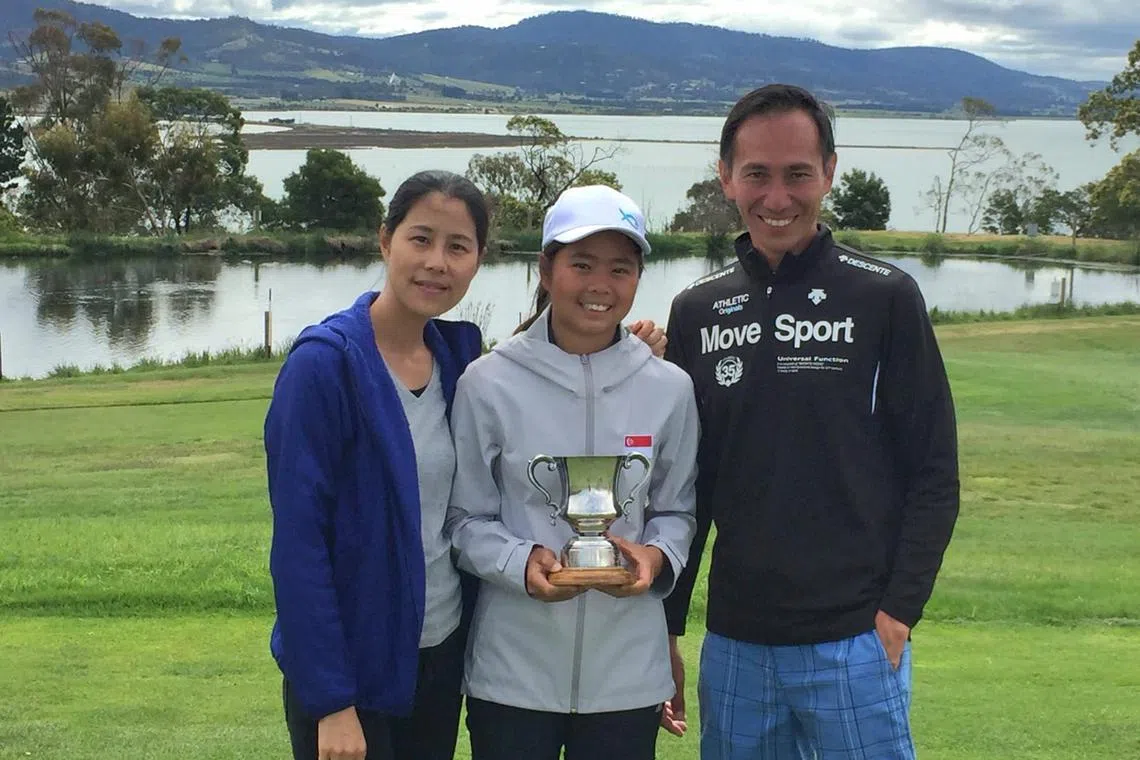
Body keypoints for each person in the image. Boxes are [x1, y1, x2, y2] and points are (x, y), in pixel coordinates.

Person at [265, 170, 668, 760]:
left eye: (458, 247)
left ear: (480, 258)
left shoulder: (456, 356)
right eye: (421, 239)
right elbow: (299, 547)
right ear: (386, 240)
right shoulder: (324, 367)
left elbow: (533, 377)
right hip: (357, 668)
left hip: (442, 656)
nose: (437, 263)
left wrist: (623, 352)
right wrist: (330, 702)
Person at [660, 84, 961, 759]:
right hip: (736, 645)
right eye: (756, 174)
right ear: (726, 178)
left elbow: (934, 471)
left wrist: (897, 614)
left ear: (828, 171)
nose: (777, 197)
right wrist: (668, 627)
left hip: (854, 640)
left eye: (798, 174)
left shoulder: (884, 296)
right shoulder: (698, 310)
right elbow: (687, 486)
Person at [447, 184, 700, 760]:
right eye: (580, 264)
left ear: (637, 277)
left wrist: (657, 556)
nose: (600, 286)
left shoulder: (669, 387)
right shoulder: (487, 383)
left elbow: (677, 509)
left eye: (620, 268)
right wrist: (520, 561)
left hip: (629, 674)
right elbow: (464, 518)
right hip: (512, 672)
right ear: (545, 267)